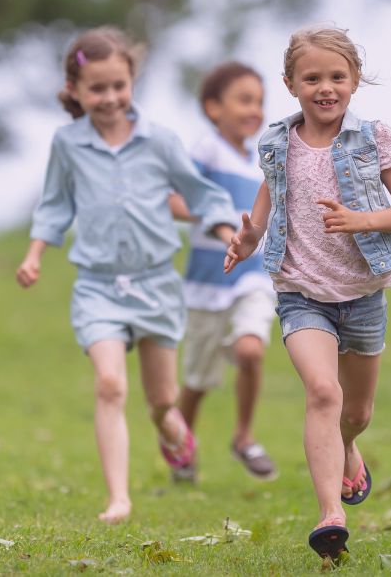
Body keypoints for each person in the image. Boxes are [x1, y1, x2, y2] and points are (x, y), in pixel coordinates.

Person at [15, 26, 238, 524]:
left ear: (131, 81)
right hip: (97, 286)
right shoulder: (67, 144)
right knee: (110, 385)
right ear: (75, 90)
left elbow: (202, 195)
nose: (109, 97)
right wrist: (34, 255)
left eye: (119, 86)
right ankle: (119, 498)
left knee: (162, 401)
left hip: (156, 284)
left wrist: (227, 232)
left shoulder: (160, 141)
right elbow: (53, 206)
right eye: (97, 88)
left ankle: (178, 436)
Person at [224, 26, 391, 561]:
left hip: (362, 294)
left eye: (337, 76)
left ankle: (350, 449)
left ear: (354, 80)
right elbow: (265, 209)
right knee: (323, 393)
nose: (325, 87)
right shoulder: (275, 143)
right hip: (301, 292)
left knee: (355, 412)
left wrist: (363, 219)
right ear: (290, 83)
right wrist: (248, 240)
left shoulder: (375, 138)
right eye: (311, 77)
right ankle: (329, 516)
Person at [168, 62, 278, 483]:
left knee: (251, 350)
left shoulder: (261, 162)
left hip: (253, 277)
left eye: (260, 101)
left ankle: (244, 437)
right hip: (206, 286)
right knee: (196, 381)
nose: (255, 110)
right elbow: (173, 199)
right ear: (214, 108)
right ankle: (182, 447)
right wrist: (215, 217)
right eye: (245, 100)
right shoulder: (205, 151)